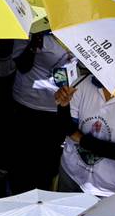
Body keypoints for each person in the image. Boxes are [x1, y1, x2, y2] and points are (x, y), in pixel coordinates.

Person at [54, 75, 115, 197]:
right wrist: (63, 106)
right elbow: (67, 127)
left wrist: (79, 138)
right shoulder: (82, 83)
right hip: (71, 174)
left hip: (109, 190)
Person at [7, 33, 72, 192]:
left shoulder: (77, 30)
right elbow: (21, 65)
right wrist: (33, 45)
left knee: (46, 168)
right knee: (21, 166)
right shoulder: (33, 28)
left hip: (57, 109)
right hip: (26, 106)